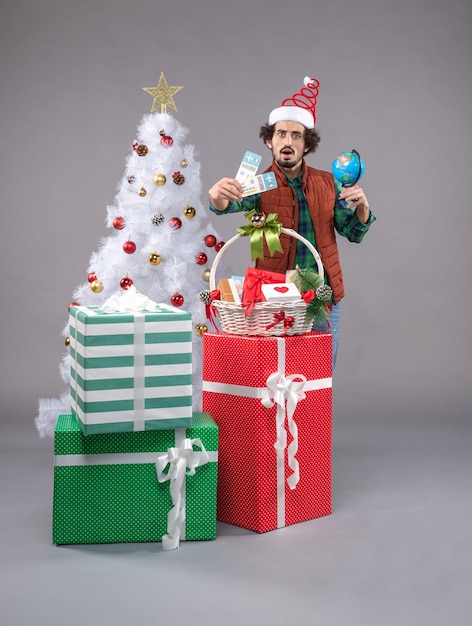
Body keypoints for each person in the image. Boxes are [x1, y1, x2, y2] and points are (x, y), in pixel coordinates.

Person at [208, 76, 375, 367]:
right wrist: (217, 196)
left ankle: (311, 415)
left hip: (322, 297)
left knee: (318, 379)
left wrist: (363, 209)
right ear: (269, 141)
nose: (288, 141)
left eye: (296, 135)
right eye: (281, 134)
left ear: (306, 145)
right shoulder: (258, 184)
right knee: (273, 375)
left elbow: (353, 232)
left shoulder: (328, 183)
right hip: (273, 298)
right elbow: (226, 206)